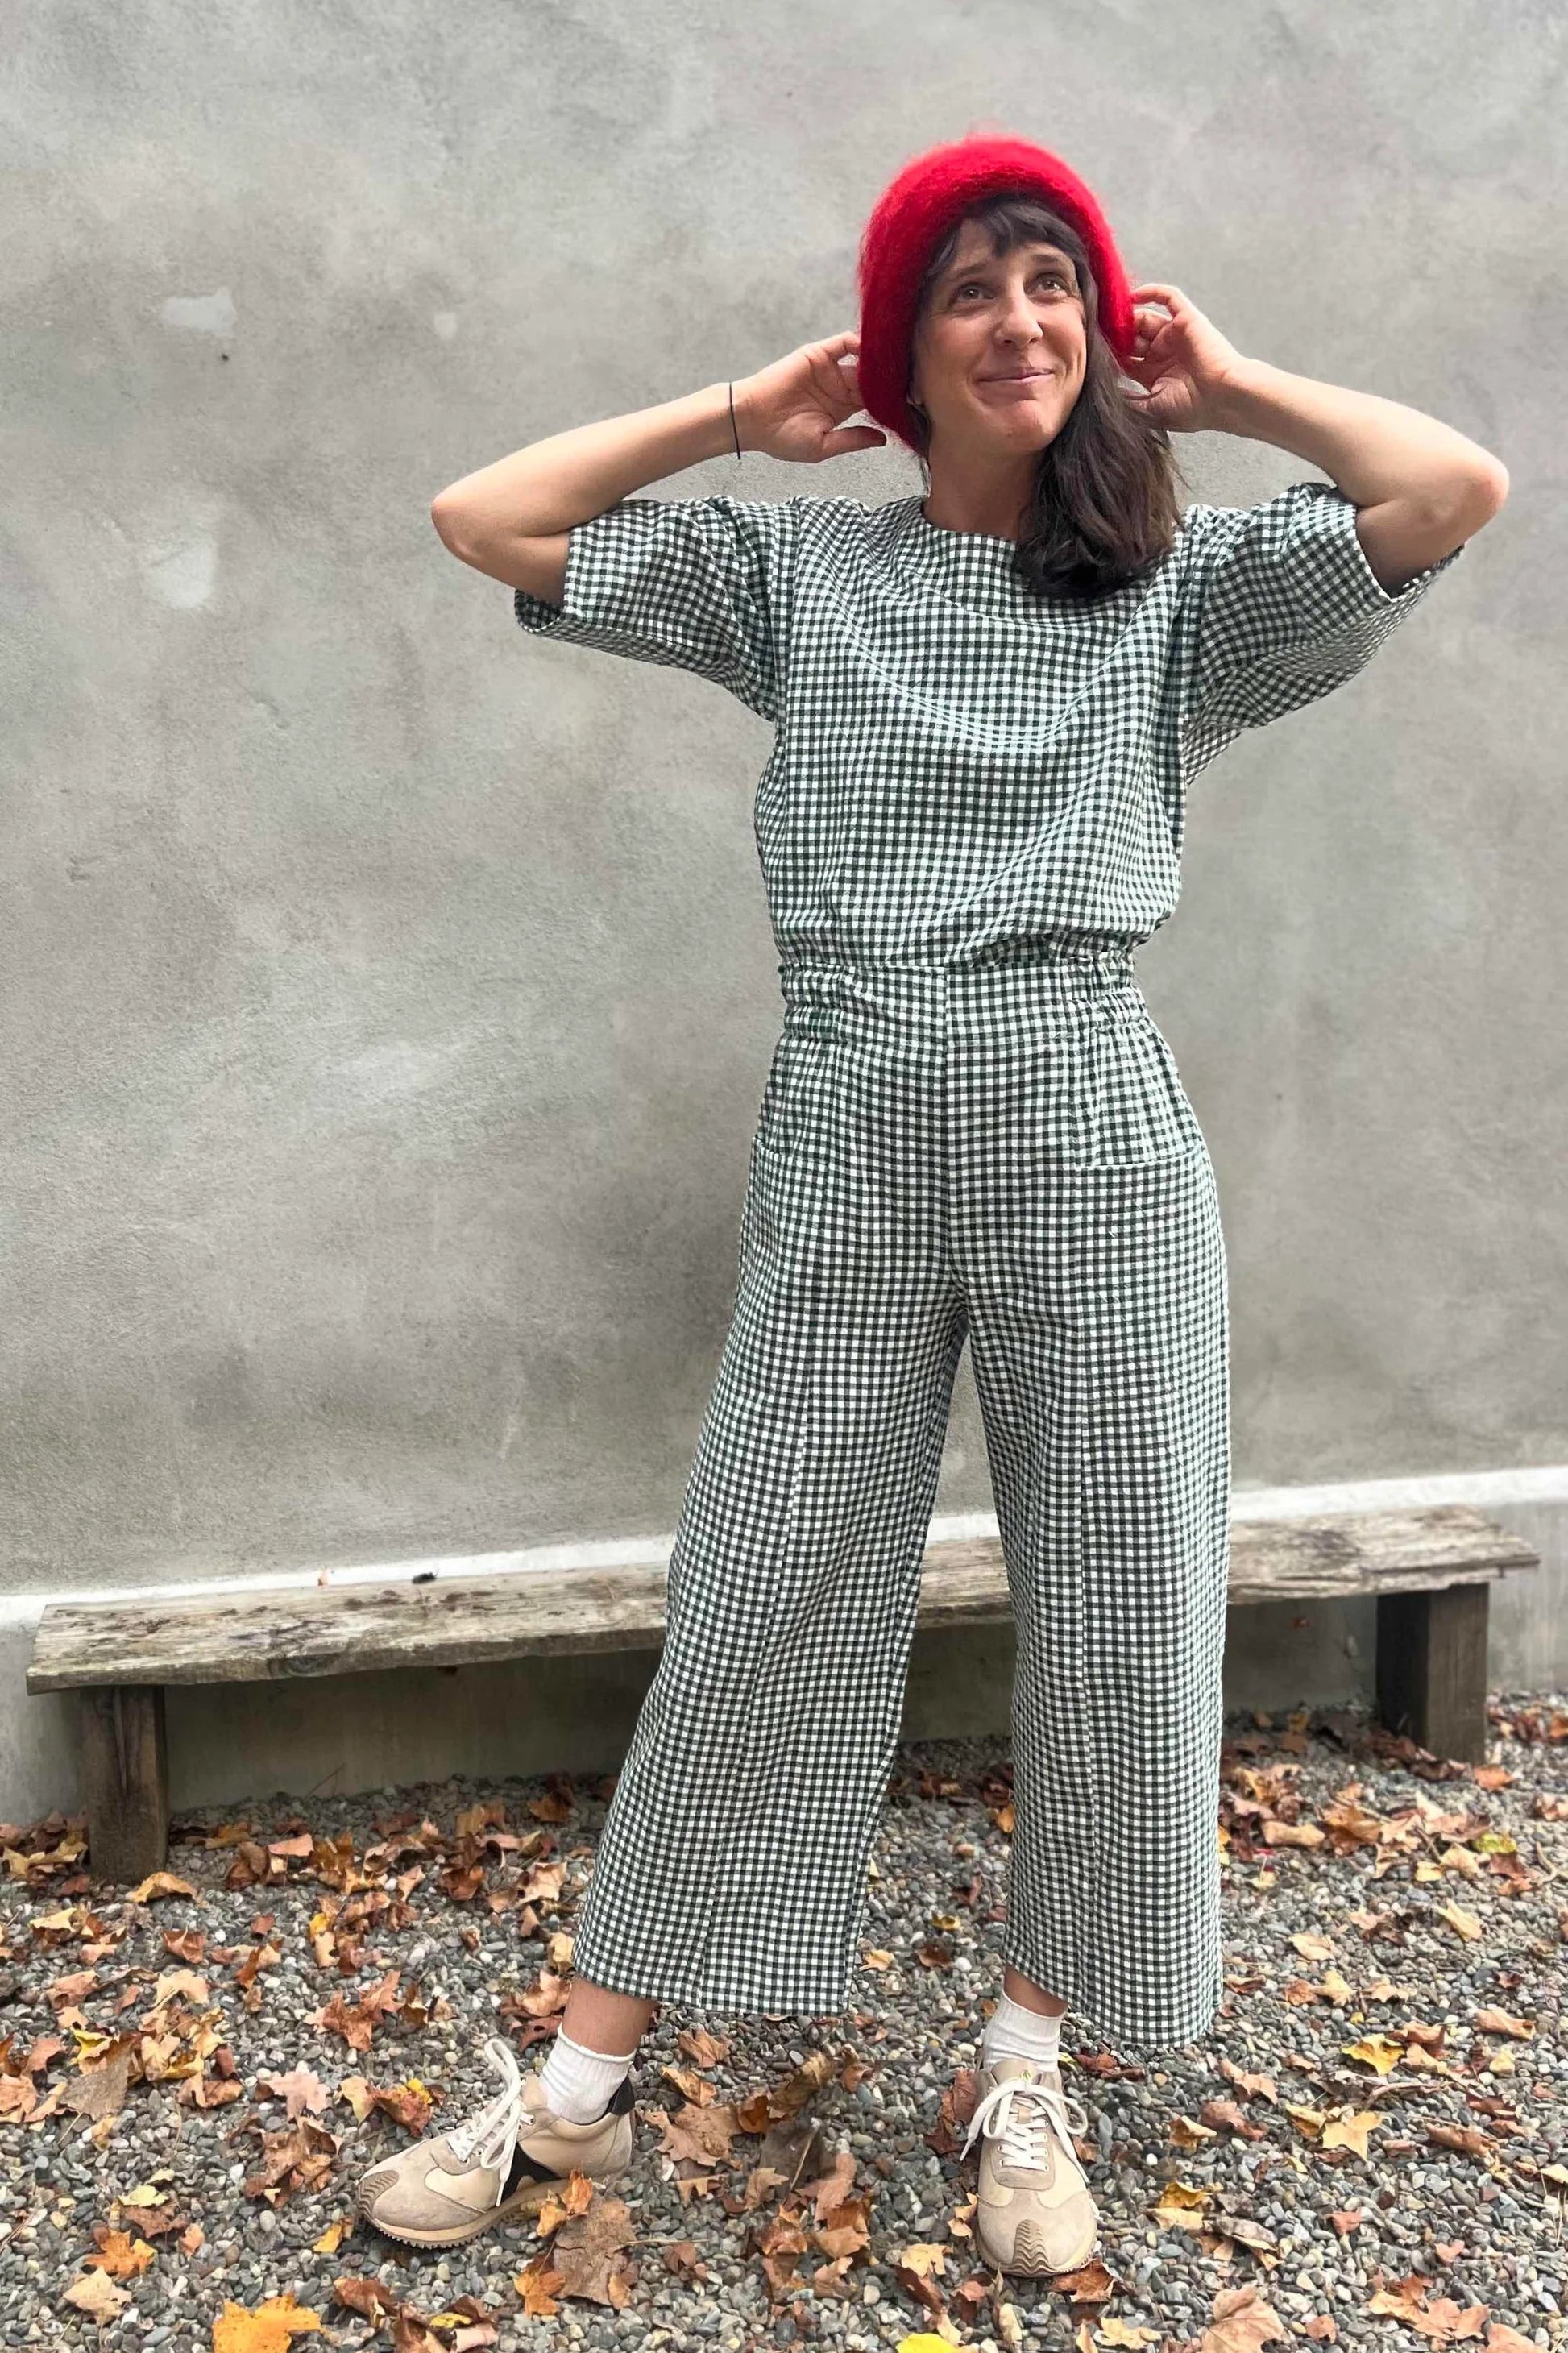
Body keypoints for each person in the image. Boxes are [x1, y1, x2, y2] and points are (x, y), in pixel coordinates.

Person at [357, 133, 1505, 2276]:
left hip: (1089, 1102)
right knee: (768, 1576)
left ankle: (1018, 2059)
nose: (1020, 325)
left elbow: (1447, 493)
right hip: (857, 1100)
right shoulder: (803, 582)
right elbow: (482, 519)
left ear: (1101, 327)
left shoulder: (1183, 595)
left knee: (1114, 1602)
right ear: (899, 349)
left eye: (1052, 285)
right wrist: (730, 421)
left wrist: (1232, 386)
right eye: (971, 290)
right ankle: (577, 2085)